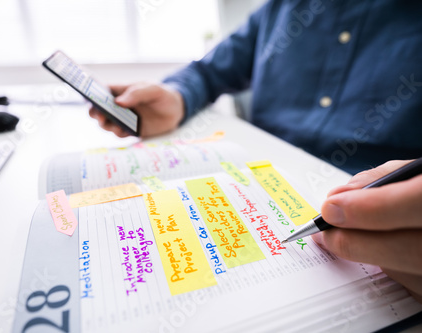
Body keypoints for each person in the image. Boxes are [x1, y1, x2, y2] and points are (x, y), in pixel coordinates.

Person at [89, 0, 422, 302]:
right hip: (251, 184)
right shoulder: (280, 7)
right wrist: (176, 98)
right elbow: (207, 72)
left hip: (378, 226)